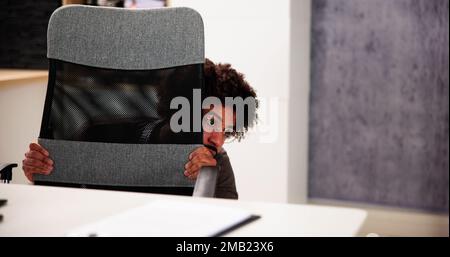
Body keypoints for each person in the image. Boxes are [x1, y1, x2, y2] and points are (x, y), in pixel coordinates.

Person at [22, 59, 258, 199]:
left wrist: (206, 184)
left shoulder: (218, 164)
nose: (218, 139)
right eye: (212, 122)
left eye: (227, 130)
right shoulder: (101, 135)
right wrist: (43, 174)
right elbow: (63, 201)